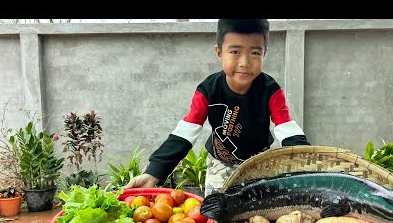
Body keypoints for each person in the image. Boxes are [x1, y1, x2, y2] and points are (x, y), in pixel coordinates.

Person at [124, 19, 310, 197]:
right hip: (220, 162)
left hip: (258, 163)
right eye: (235, 51)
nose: (244, 62)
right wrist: (154, 172)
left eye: (254, 52)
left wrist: (310, 164)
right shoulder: (207, 90)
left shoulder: (270, 90)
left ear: (264, 53)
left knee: (257, 216)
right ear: (219, 53)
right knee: (216, 211)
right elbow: (185, 132)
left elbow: (287, 128)